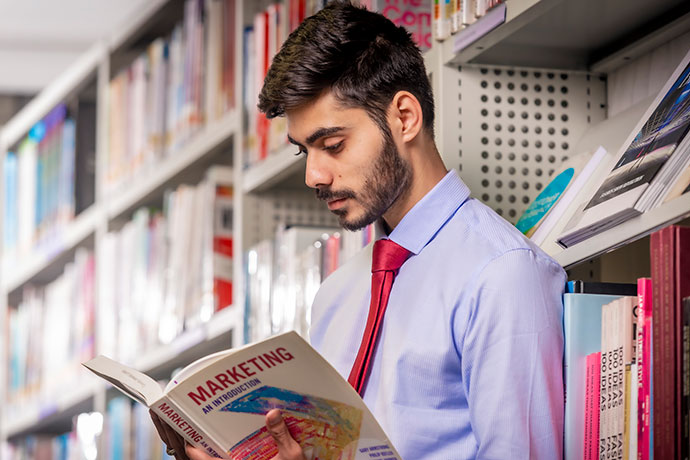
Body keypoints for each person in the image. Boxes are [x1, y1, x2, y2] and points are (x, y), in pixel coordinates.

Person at [152, 1, 566, 459]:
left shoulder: (503, 274)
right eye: (303, 152)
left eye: (333, 145)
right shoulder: (336, 295)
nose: (314, 176)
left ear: (404, 118)